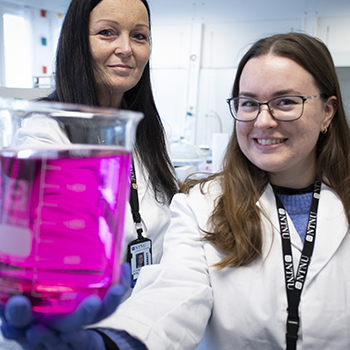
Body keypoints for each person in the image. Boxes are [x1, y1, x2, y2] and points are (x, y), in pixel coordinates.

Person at [2, 31, 350, 349]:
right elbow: (173, 295)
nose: (262, 121)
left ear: (327, 112)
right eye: (248, 103)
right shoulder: (202, 205)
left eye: (285, 102)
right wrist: (110, 343)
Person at [0, 0, 177, 348]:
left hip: (142, 327)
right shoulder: (43, 133)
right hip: (75, 328)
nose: (125, 49)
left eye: (139, 36)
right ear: (77, 42)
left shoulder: (149, 135)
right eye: (107, 32)